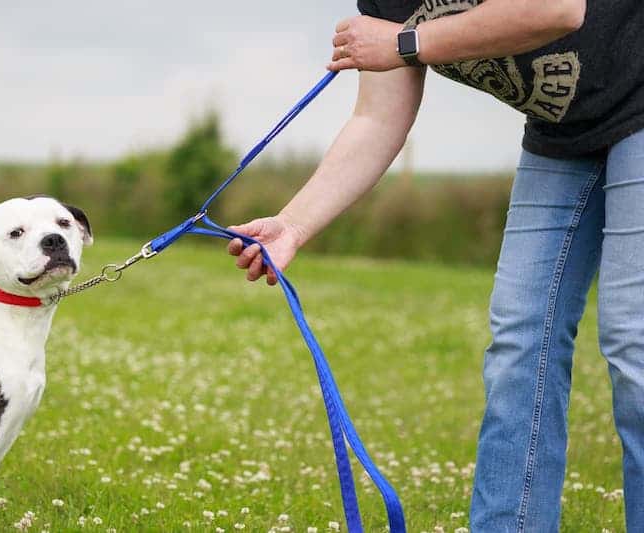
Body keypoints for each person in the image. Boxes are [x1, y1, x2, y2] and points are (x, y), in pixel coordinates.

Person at [226, 1, 644, 531]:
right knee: (520, 339)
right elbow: (378, 116)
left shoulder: (402, 31)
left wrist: (405, 43)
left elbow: (555, 8)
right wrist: (293, 224)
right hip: (564, 128)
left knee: (634, 338)